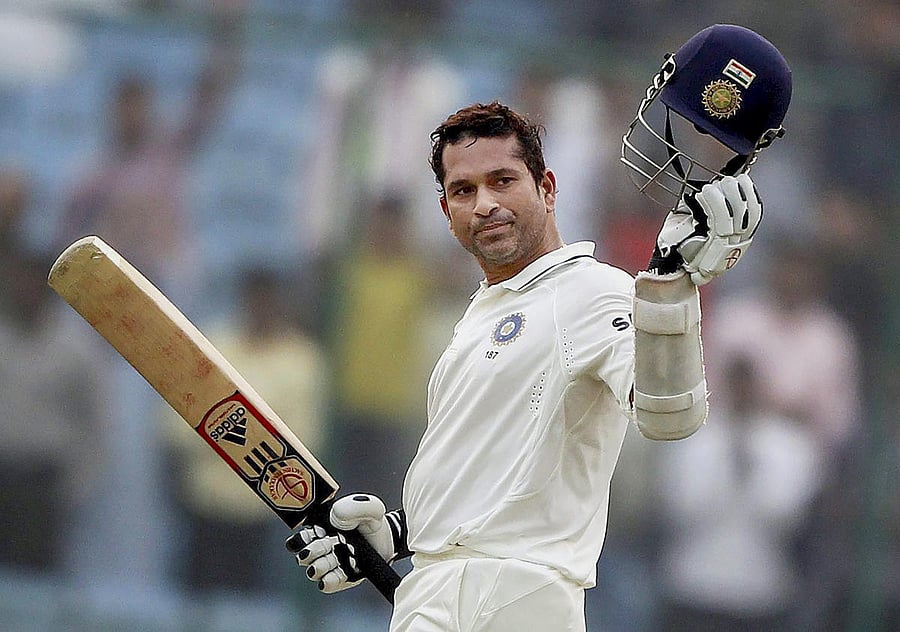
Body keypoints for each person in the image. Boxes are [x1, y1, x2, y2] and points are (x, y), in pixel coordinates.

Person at [285, 24, 792, 632]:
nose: (486, 204)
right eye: (463, 190)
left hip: (520, 597)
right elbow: (498, 481)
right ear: (446, 214)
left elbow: (670, 415)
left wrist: (671, 291)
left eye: (504, 181)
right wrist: (396, 533)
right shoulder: (476, 318)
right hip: (436, 587)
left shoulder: (592, 291)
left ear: (547, 189)